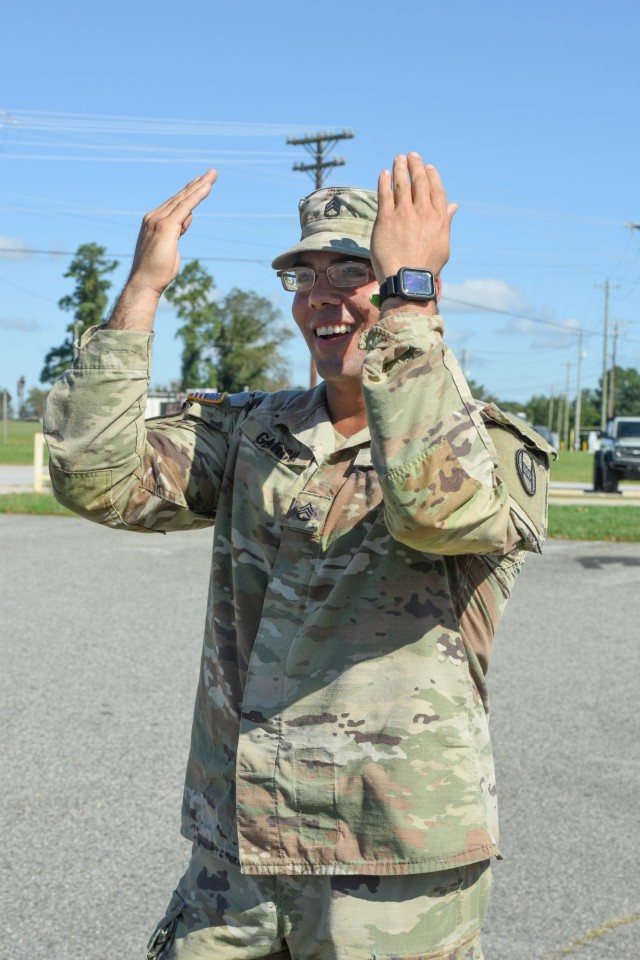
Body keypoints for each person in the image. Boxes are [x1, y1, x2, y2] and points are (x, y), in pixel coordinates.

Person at [44, 153, 555, 960]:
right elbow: (95, 479)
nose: (322, 296)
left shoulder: (484, 445)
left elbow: (431, 508)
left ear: (406, 287)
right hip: (237, 852)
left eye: (353, 270)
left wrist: (408, 291)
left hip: (385, 867)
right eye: (303, 275)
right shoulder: (257, 431)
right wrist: (141, 293)